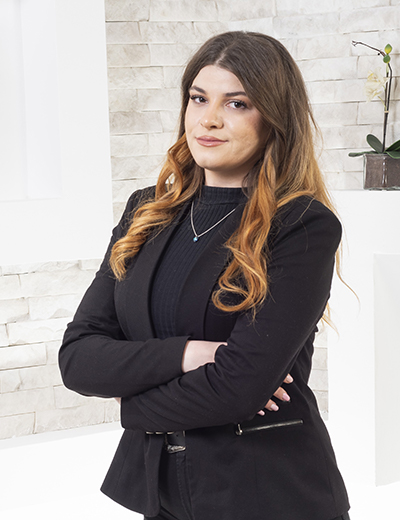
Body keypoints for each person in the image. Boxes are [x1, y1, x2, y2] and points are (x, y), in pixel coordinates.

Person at [59, 31, 350, 520]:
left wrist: (130, 405)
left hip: (269, 495)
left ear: (274, 118)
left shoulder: (301, 225)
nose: (209, 119)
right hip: (161, 494)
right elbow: (77, 357)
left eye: (237, 103)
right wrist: (190, 354)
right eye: (199, 98)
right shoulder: (145, 212)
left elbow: (240, 389)